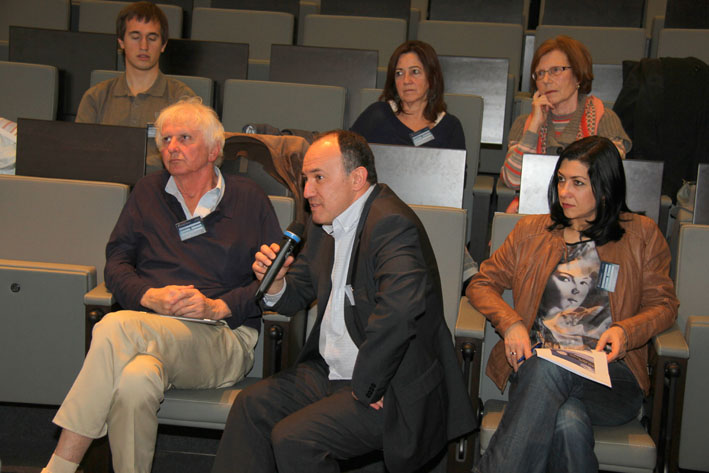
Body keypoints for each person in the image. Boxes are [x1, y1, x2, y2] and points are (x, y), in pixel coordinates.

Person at [211, 130, 475, 473]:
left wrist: (369, 384)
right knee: (251, 406)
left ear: (357, 178)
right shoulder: (322, 223)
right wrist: (276, 283)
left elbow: (399, 311)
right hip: (329, 371)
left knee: (296, 439)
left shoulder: (391, 224)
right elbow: (297, 292)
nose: (307, 191)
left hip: (388, 385)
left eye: (319, 178)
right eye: (306, 179)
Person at [41, 98, 282, 473]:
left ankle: (58, 468)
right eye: (166, 139)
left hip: (222, 336)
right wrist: (148, 296)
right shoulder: (147, 192)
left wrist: (217, 306)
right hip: (151, 329)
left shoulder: (249, 198)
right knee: (135, 382)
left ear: (214, 150)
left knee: (113, 326)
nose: (172, 147)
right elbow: (116, 262)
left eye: (185, 138)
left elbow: (272, 278)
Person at [467, 136, 678, 473]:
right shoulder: (531, 232)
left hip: (611, 378)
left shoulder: (641, 235)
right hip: (539, 376)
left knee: (546, 367)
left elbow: (664, 304)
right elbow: (481, 284)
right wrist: (511, 323)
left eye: (578, 183)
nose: (565, 192)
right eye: (562, 180)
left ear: (605, 188)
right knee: (568, 421)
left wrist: (626, 331)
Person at [500, 35, 632, 206]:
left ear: (578, 75)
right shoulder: (524, 124)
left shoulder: (604, 120)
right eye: (540, 73)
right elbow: (512, 179)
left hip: (589, 214)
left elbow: (609, 178)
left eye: (556, 70)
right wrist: (533, 128)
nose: (546, 80)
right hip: (536, 208)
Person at [75, 1, 195, 173]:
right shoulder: (95, 97)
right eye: (135, 37)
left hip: (161, 187)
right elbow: (80, 154)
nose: (144, 46)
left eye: (152, 38)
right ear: (121, 42)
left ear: (163, 45)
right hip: (104, 184)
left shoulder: (182, 99)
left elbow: (193, 157)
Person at [351, 40, 465, 150]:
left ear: (431, 77)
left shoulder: (450, 127)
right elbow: (345, 153)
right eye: (399, 73)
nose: (406, 80)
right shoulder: (377, 115)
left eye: (415, 71)